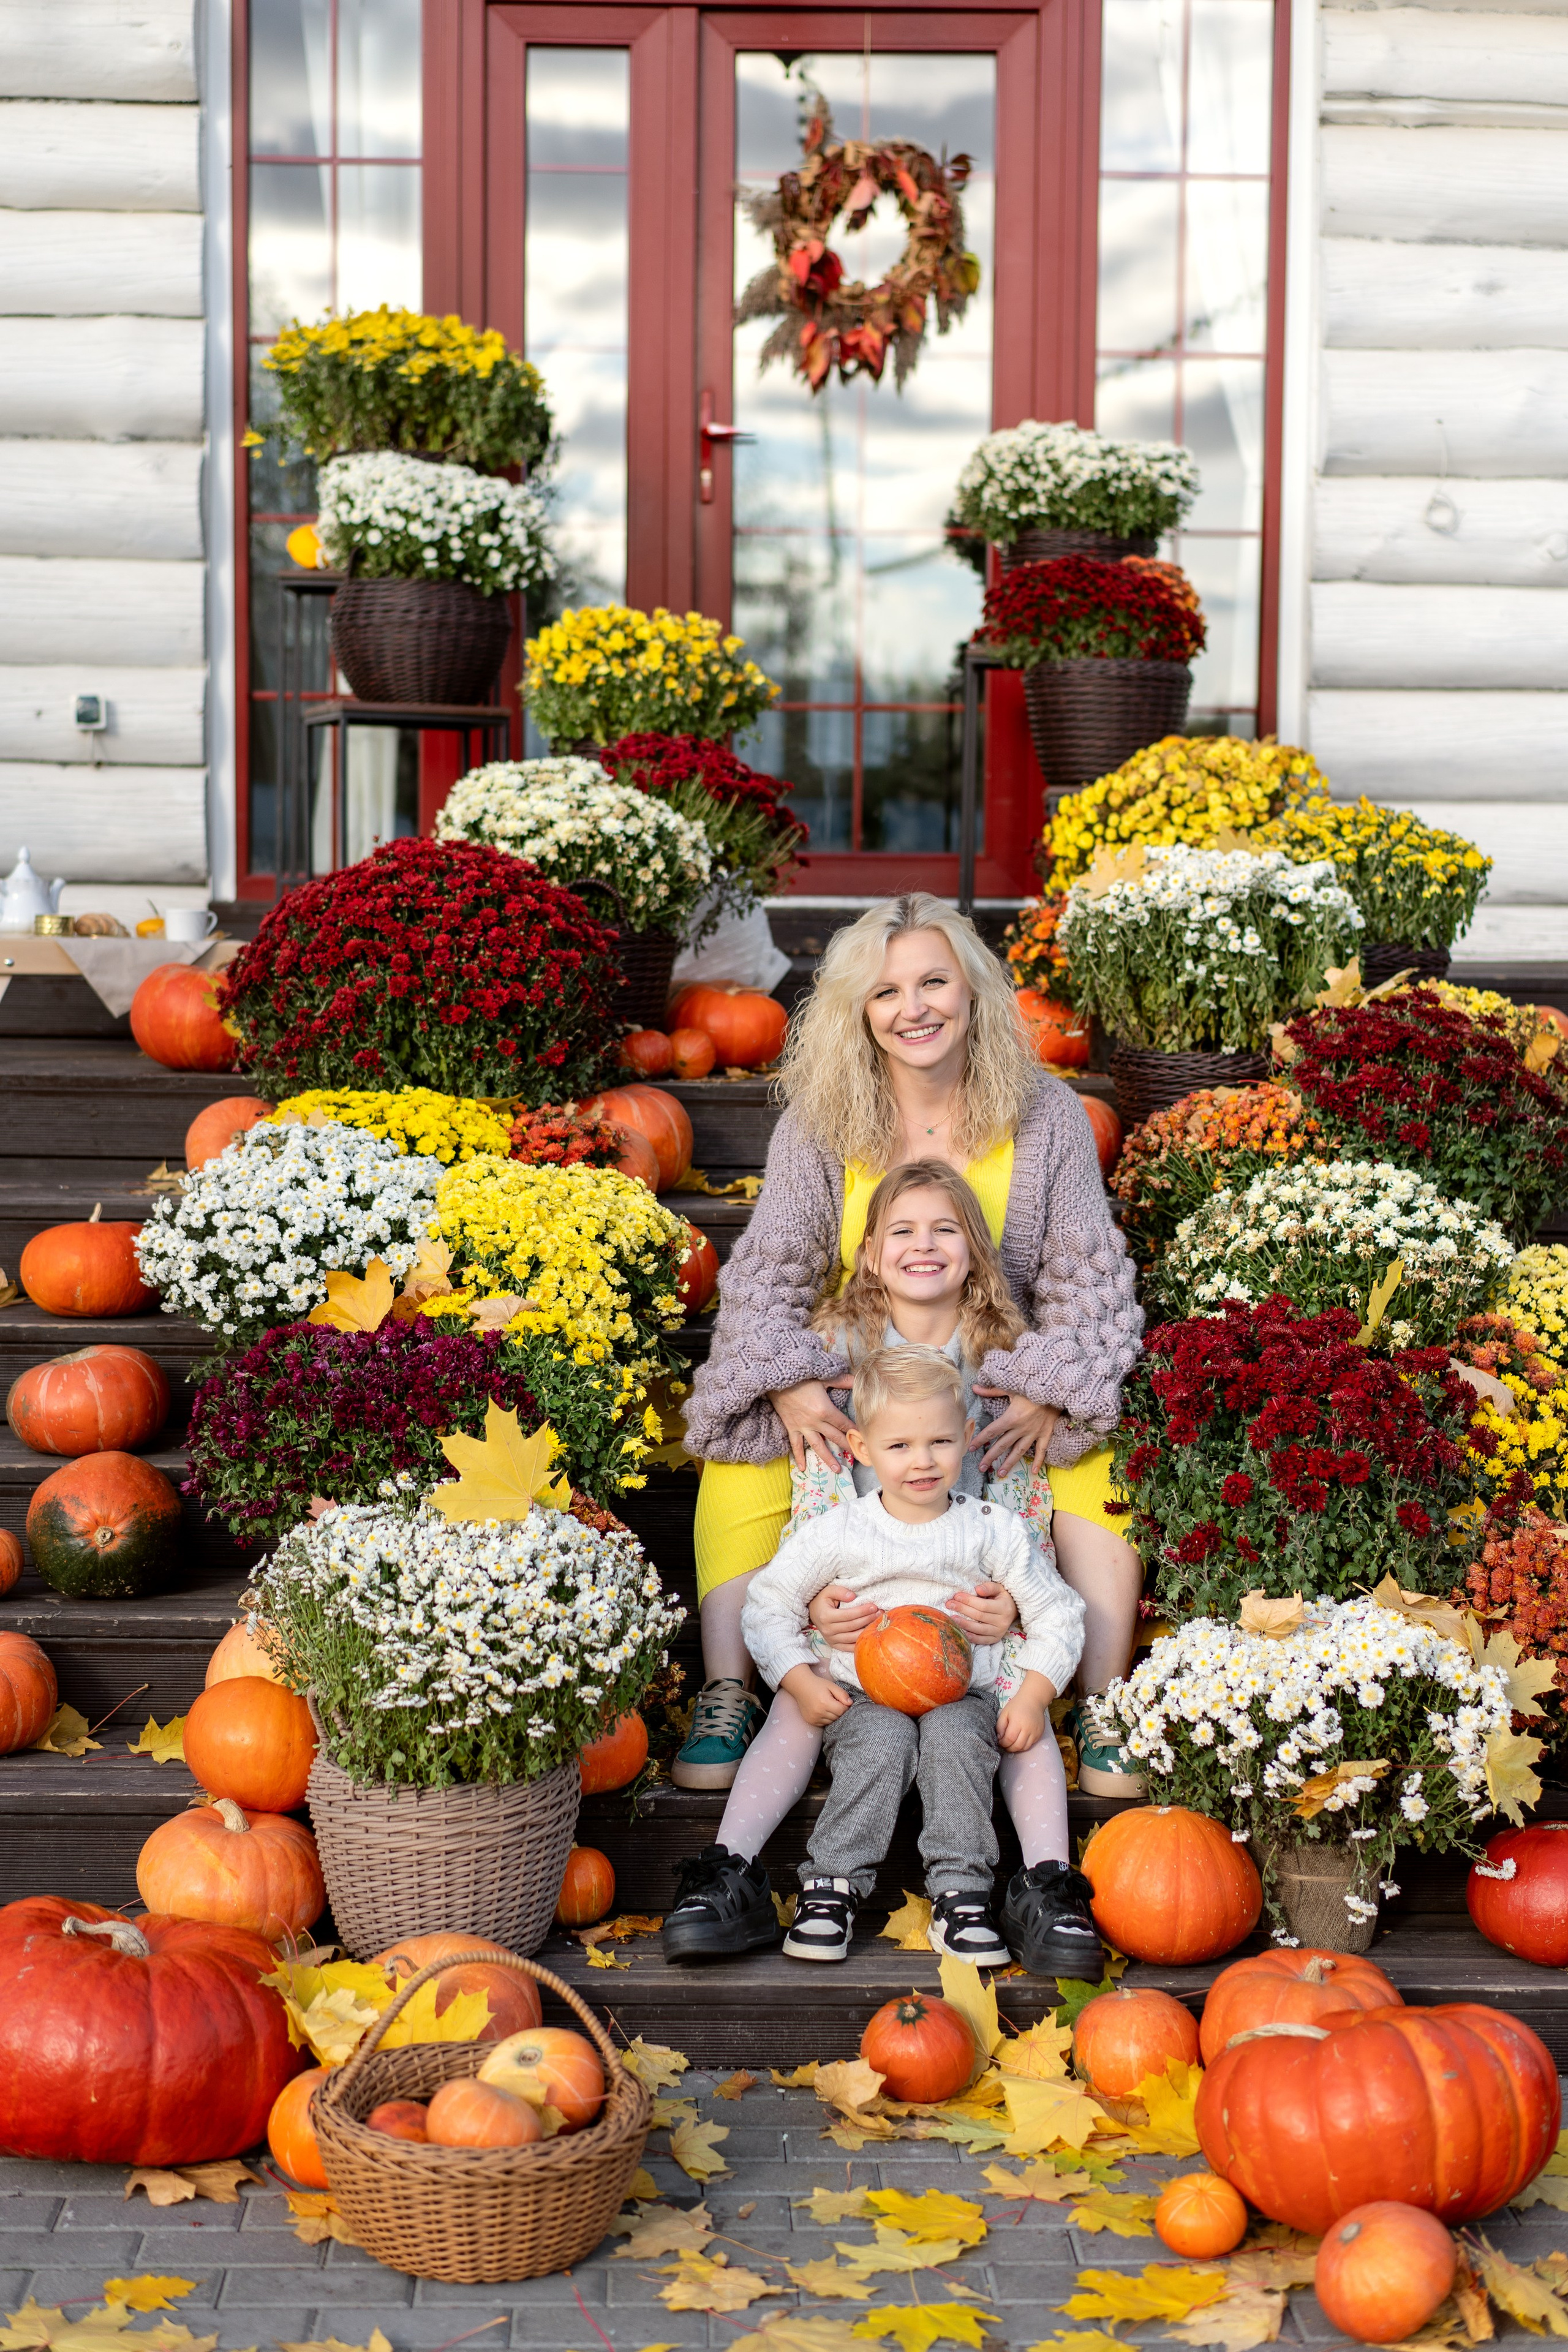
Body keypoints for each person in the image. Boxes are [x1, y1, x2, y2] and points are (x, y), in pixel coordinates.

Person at [674, 892, 1144, 1796]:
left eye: (934, 982)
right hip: (860, 1384)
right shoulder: (823, 1121)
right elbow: (768, 1273)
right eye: (887, 992)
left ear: (974, 996)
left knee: (1091, 1445)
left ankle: (1102, 1702)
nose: (914, 1007)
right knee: (745, 1448)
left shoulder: (1046, 1118)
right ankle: (730, 1689)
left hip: (1002, 1383)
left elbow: (1089, 1283)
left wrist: (1047, 1389)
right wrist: (787, 1387)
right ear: (860, 1011)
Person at [661, 1159, 1106, 1974]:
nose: (924, 1246)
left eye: (945, 1229)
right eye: (901, 1230)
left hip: (972, 1597)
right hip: (860, 1598)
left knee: (1021, 1718)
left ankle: (1046, 1882)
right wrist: (807, 1631)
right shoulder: (831, 1349)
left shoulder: (1011, 1354)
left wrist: (1015, 1614)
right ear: (867, 1254)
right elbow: (808, 1506)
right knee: (804, 1711)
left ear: (975, 1249)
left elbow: (1031, 1495)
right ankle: (729, 1871)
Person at [736, 1344, 1085, 1965]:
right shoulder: (842, 1530)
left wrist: (1034, 1695)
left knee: (957, 1742)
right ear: (863, 1449)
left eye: (939, 1443)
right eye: (898, 1447)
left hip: (963, 1694)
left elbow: (1058, 1610)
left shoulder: (991, 1529)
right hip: (861, 1693)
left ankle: (962, 1894)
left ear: (967, 1438)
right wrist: (797, 1681)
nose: (921, 1461)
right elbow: (767, 1603)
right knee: (881, 1743)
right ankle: (832, 1887)